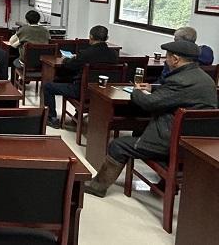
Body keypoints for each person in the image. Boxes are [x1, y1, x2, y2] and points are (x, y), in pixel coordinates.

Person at [85, 40, 218, 198]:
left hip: (171, 141)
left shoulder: (178, 80)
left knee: (118, 145)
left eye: (167, 57)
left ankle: (97, 187)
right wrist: (153, 88)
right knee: (139, 130)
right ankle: (165, 184)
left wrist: (136, 91)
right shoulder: (205, 79)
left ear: (176, 59)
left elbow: (149, 103)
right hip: (196, 144)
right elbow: (180, 95)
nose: (166, 60)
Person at [43, 25, 118, 129]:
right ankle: (77, 115)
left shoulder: (86, 54)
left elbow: (70, 65)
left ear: (91, 37)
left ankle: (52, 118)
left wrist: (66, 59)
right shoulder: (114, 54)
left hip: (82, 91)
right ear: (107, 38)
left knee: (48, 86)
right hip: (105, 93)